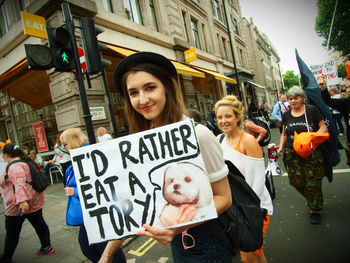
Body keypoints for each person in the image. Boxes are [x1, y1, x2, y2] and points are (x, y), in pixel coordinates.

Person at [113, 51, 232, 262]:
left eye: (150, 88)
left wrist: (177, 227)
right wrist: (106, 255)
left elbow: (224, 198)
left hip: (209, 241)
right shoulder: (140, 143)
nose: (142, 100)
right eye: (133, 93)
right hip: (178, 245)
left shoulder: (199, 134)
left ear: (167, 87)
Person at [215, 95, 273, 263]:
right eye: (219, 117)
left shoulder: (248, 141)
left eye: (228, 116)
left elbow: (258, 181)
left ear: (238, 117)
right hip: (233, 208)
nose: (223, 121)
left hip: (254, 208)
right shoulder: (219, 140)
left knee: (248, 255)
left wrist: (247, 213)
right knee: (255, 253)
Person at [60, 128, 126, 263]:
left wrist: (75, 192)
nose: (63, 148)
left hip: (100, 211)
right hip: (89, 212)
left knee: (104, 247)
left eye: (64, 144)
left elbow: (101, 185)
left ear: (72, 142)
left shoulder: (88, 157)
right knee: (88, 247)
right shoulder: (80, 156)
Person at [277, 86, 328, 225]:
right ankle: (313, 199)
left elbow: (323, 127)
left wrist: (312, 136)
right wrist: (280, 148)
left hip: (311, 151)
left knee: (313, 181)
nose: (293, 101)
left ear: (302, 98)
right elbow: (284, 133)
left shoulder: (311, 111)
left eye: (296, 98)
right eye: (290, 98)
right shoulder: (286, 115)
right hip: (291, 152)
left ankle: (315, 210)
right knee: (296, 181)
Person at [0, 143, 54, 263]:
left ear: (6, 154)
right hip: (34, 202)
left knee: (12, 233)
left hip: (18, 207)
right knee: (40, 225)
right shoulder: (26, 162)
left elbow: (19, 184)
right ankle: (47, 246)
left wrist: (22, 202)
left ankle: (6, 257)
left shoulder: (14, 167)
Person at [318, 76, 350, 165]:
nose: (347, 90)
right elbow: (328, 101)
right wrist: (324, 89)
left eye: (349, 87)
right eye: (346, 87)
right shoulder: (346, 103)